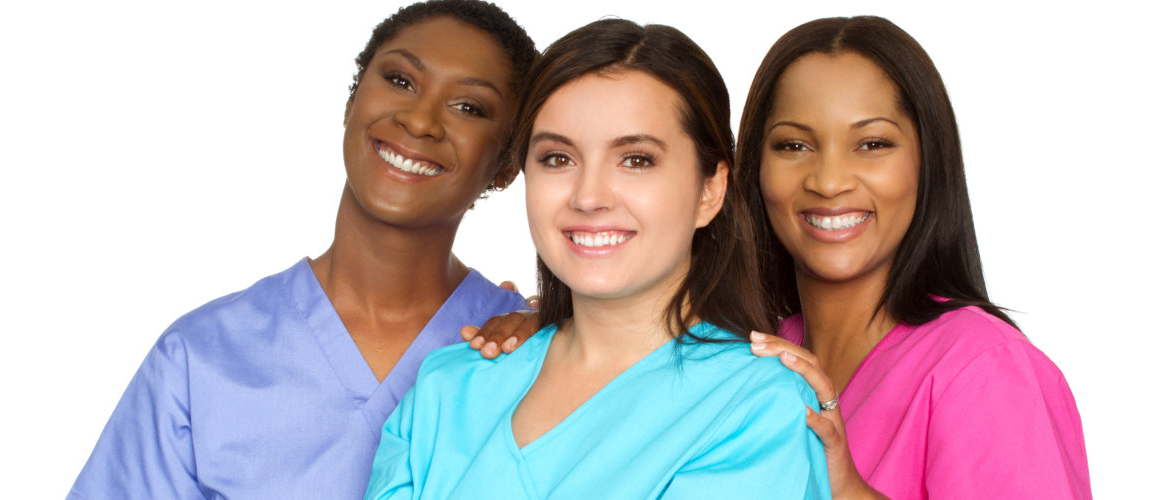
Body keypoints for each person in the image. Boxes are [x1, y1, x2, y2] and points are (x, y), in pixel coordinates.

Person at [465, 15, 1091, 500]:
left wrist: (848, 488)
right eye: (794, 145)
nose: (829, 180)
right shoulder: (754, 349)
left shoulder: (983, 368)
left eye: (872, 144)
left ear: (928, 164)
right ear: (747, 172)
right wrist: (550, 334)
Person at [67, 2, 535, 498]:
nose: (420, 120)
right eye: (400, 80)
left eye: (469, 107)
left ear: (507, 164)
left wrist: (579, 326)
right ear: (352, 100)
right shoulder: (199, 358)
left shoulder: (537, 351)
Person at [367, 18, 830, 500]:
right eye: (557, 158)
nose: (589, 197)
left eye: (636, 159)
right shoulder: (448, 388)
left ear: (709, 190)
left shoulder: (758, 406)